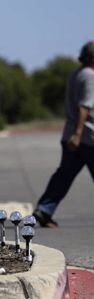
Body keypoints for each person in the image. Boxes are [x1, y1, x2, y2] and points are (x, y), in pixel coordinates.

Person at [33, 41, 94, 228]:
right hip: (87, 137)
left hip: (69, 136)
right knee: (64, 175)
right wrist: (78, 134)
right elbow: (84, 106)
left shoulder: (75, 73)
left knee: (63, 175)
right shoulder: (90, 76)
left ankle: (44, 210)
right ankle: (44, 210)